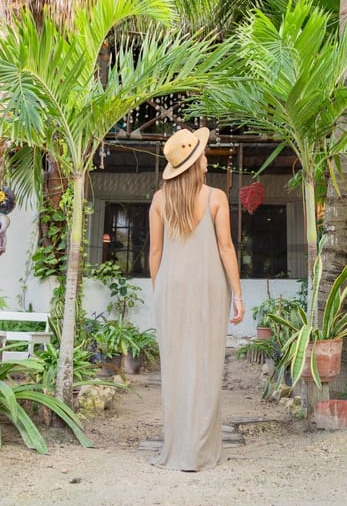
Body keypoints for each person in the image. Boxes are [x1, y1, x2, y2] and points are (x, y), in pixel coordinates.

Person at [149, 127, 245, 471]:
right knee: (205, 365)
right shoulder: (215, 197)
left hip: (171, 289)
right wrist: (237, 293)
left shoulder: (160, 200)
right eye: (203, 154)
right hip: (208, 289)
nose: (207, 159)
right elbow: (225, 248)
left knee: (175, 368)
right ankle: (200, 451)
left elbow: (155, 252)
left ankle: (178, 448)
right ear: (195, 163)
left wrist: (159, 291)